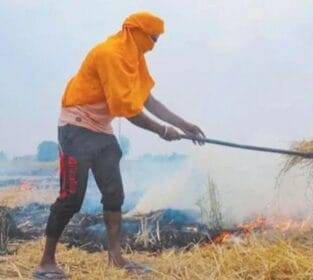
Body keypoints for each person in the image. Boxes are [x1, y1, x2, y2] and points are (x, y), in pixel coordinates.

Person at [33, 11, 205, 279]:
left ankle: (116, 258)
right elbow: (126, 108)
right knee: (71, 199)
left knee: (114, 196)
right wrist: (162, 130)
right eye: (153, 38)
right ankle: (46, 263)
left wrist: (184, 125)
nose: (154, 45)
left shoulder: (134, 58)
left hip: (101, 130)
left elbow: (147, 99)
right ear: (135, 31)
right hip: (76, 127)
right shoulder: (110, 54)